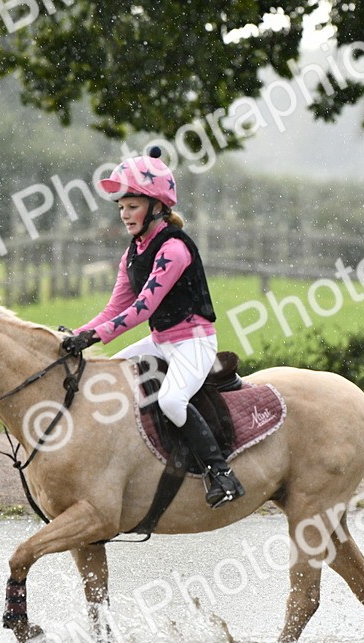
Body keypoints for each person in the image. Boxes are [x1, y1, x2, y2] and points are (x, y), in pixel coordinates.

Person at [61, 147, 245, 508]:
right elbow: (115, 308)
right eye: (121, 208)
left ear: (156, 206)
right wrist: (73, 336)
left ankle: (221, 473)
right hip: (161, 342)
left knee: (172, 400)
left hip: (194, 342)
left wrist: (93, 337)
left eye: (132, 206)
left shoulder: (174, 248)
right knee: (108, 377)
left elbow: (142, 308)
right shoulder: (132, 253)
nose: (124, 214)